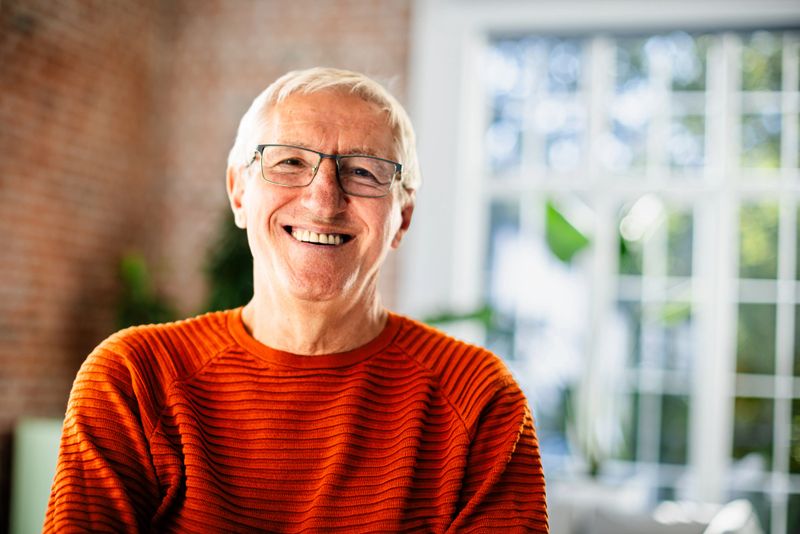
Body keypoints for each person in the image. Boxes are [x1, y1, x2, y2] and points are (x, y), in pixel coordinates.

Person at [44, 67, 548, 533]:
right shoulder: (133, 379)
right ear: (239, 193)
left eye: (363, 171)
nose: (323, 199)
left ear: (404, 216)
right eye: (289, 162)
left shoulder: (479, 401)